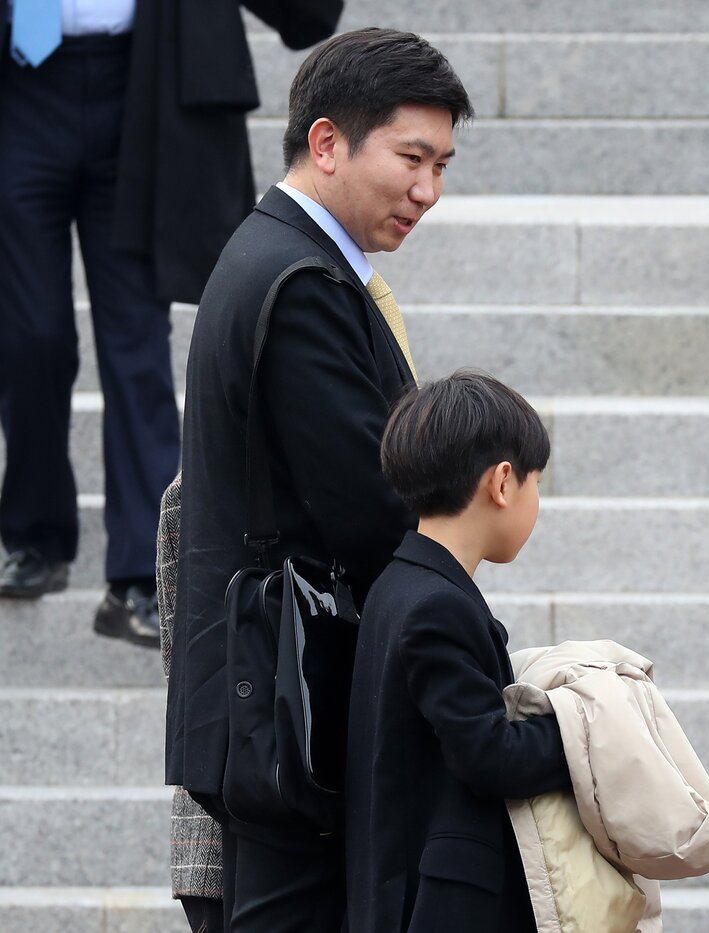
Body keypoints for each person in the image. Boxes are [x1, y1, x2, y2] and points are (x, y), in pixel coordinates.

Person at [166, 28, 471, 933]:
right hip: (287, 713)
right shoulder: (300, 279)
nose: (429, 191)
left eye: (444, 164)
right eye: (412, 158)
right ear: (329, 140)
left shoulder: (289, 257)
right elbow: (373, 511)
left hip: (275, 706)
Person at [0, 0, 342, 645]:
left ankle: (140, 575)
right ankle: (35, 536)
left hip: (141, 93)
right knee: (27, 340)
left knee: (137, 350)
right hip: (21, 92)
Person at [346, 370, 572, 933]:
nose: (536, 502)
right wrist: (588, 730)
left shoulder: (398, 587)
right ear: (502, 482)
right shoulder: (436, 606)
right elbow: (489, 755)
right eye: (536, 482)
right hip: (439, 909)